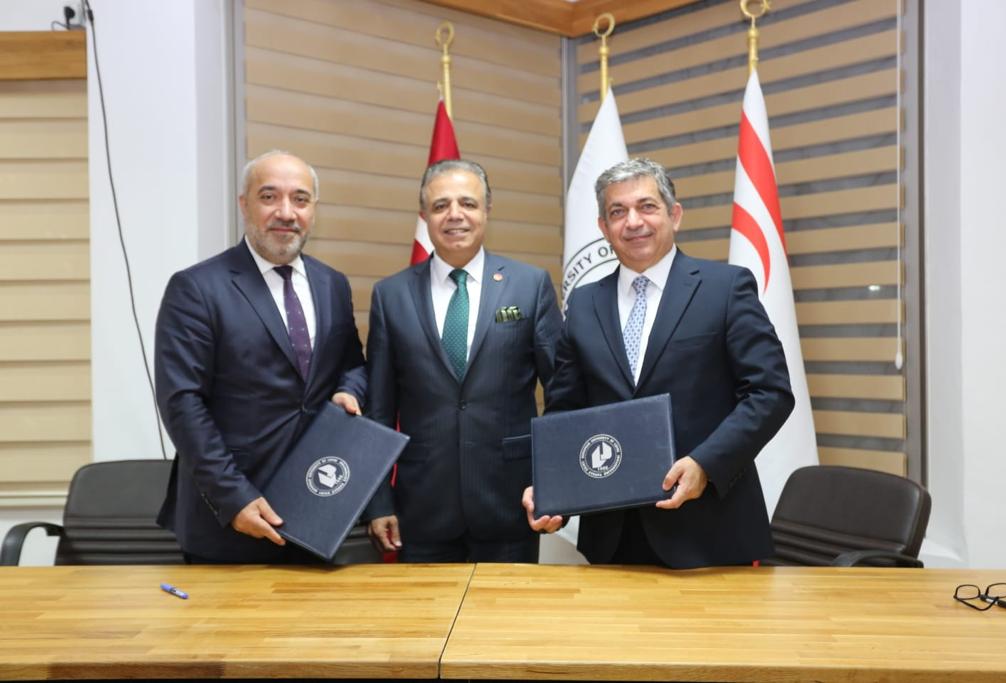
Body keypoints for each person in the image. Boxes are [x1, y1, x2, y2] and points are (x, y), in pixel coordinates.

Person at [523, 157, 794, 569]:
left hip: (709, 531)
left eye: (647, 207)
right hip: (612, 536)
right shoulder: (584, 303)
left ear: (674, 215)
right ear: (603, 227)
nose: (633, 222)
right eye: (618, 212)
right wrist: (552, 487)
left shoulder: (725, 288)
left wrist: (706, 464)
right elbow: (566, 409)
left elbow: (770, 392)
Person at [155, 150, 367, 563]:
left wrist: (349, 391)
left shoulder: (332, 284)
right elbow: (182, 402)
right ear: (244, 204)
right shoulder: (196, 288)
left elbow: (352, 365)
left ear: (313, 209)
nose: (286, 212)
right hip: (230, 520)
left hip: (317, 510)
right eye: (269, 197)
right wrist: (233, 497)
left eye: (300, 199)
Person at [363, 159, 561, 563]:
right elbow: (378, 411)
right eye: (441, 206)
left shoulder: (530, 285)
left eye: (468, 203)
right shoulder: (390, 296)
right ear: (424, 216)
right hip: (421, 509)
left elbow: (562, 392)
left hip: (512, 503)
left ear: (487, 210)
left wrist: (555, 483)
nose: (455, 215)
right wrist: (378, 501)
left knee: (507, 606)